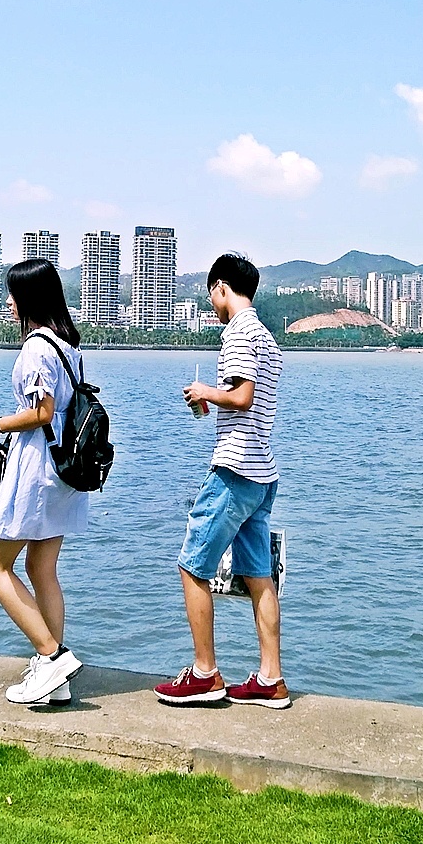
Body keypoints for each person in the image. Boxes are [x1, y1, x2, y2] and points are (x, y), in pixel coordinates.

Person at [155, 252, 290, 709]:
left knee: (192, 565)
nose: (211, 303)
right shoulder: (266, 337)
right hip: (262, 472)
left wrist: (204, 392)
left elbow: (243, 396)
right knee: (258, 575)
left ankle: (204, 674)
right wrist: (216, 398)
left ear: (221, 288)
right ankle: (270, 679)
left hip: (234, 470)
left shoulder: (237, 333)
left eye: (211, 295)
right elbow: (250, 398)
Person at [0, 257, 86, 707]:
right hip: (62, 471)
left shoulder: (36, 348)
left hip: (37, 469)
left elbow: (42, 413)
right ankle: (53, 678)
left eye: (13, 294)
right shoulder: (67, 346)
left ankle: (51, 655)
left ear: (30, 299)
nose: (8, 302)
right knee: (42, 569)